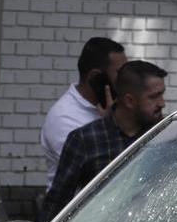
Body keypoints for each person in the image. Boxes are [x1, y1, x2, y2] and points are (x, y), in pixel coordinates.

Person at [42, 60, 167, 222]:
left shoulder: (164, 135)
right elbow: (56, 205)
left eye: (162, 94)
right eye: (154, 97)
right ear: (129, 101)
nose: (162, 103)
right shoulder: (86, 140)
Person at [40, 36, 126, 189]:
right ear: (95, 77)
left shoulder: (112, 107)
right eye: (120, 74)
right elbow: (100, 176)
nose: (125, 81)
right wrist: (110, 125)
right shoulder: (64, 117)